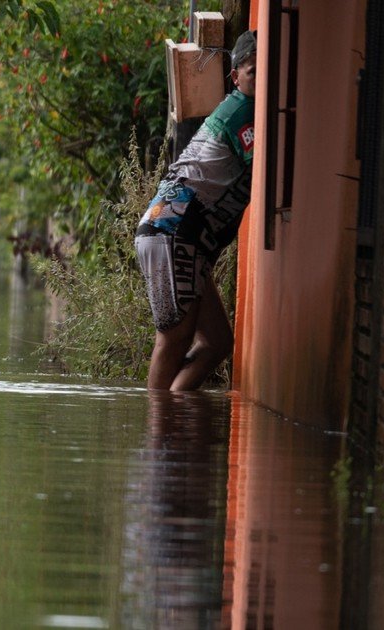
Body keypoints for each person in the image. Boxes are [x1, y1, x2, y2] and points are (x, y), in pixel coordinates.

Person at [134, 30, 257, 390]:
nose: (264, 80)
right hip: (174, 231)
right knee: (173, 339)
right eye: (254, 71)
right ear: (236, 77)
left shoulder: (245, 107)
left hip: (175, 233)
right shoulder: (244, 111)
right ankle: (159, 430)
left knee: (216, 343)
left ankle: (173, 417)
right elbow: (263, 161)